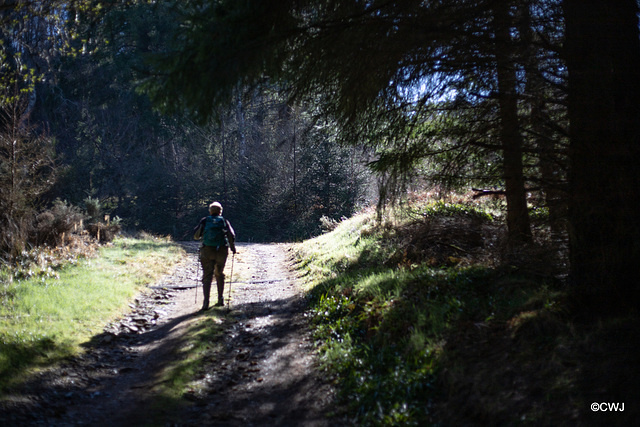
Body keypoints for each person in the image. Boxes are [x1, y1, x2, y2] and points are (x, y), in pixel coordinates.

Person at [193, 202, 236, 311]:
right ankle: (220, 299)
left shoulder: (205, 220)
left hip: (207, 250)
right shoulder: (224, 221)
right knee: (219, 273)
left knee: (207, 275)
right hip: (221, 250)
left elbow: (196, 235)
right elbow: (232, 235)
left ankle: (206, 302)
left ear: (210, 211)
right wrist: (232, 248)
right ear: (220, 211)